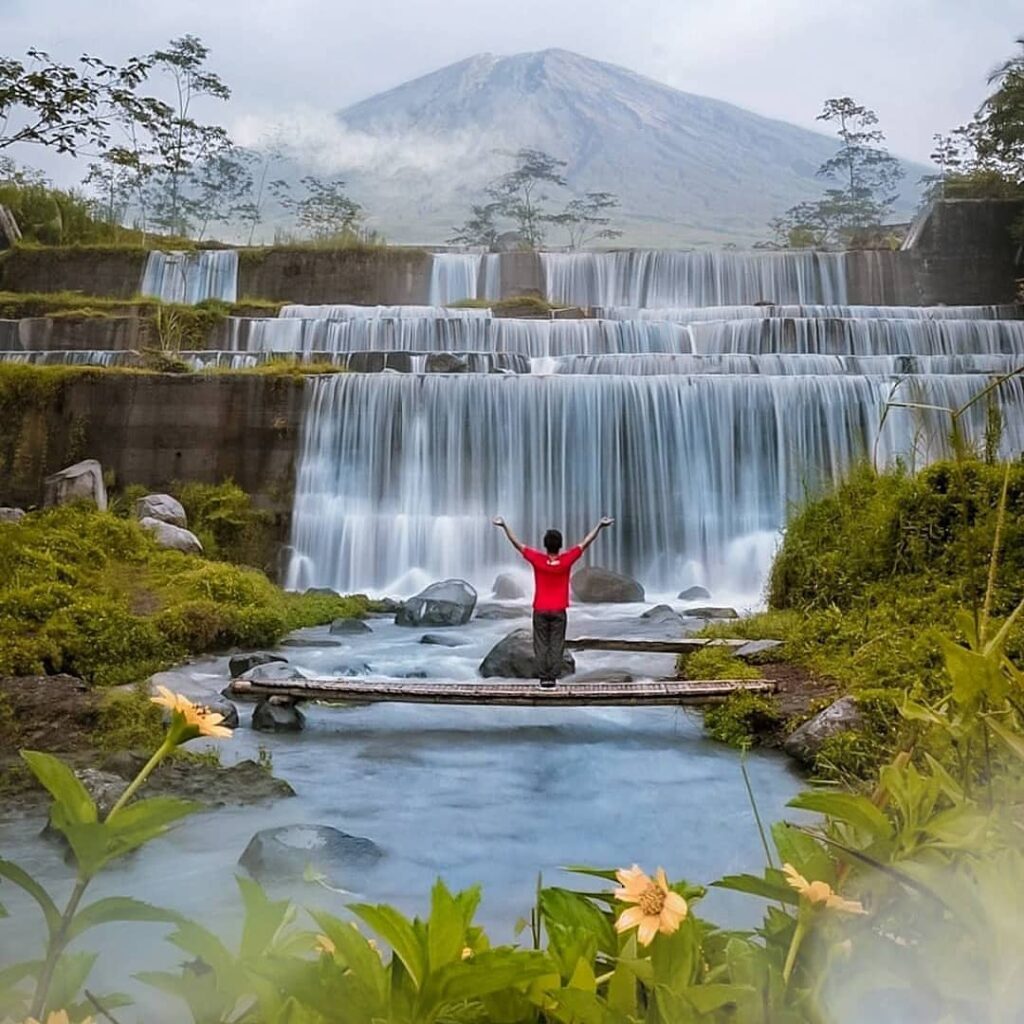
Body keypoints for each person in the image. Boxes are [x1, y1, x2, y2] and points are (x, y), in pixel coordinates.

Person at [492, 515, 615, 687]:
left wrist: (504, 526)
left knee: (541, 644)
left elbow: (517, 544)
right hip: (558, 610)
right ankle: (553, 677)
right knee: (557, 644)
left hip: (540, 609)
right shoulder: (566, 560)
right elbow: (585, 543)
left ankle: (543, 677)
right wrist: (599, 526)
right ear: (560, 545)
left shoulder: (537, 559)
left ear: (545, 545)